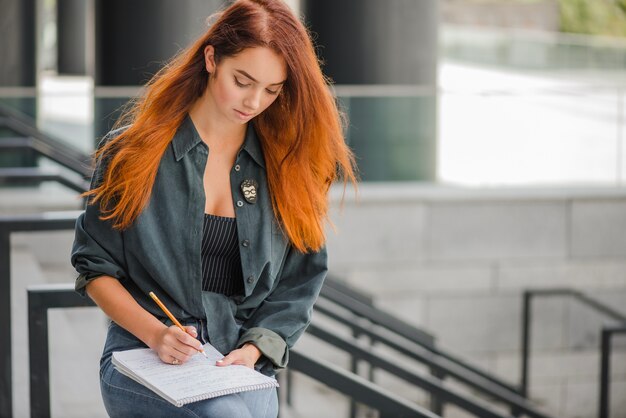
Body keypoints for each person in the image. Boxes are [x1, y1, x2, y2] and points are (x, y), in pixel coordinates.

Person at [70, 0, 356, 416]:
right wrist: (156, 333)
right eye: (243, 80)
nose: (255, 100)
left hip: (235, 359)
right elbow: (94, 268)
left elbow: (301, 278)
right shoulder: (132, 152)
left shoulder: (286, 167)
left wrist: (258, 346)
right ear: (211, 59)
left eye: (272, 90)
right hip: (142, 352)